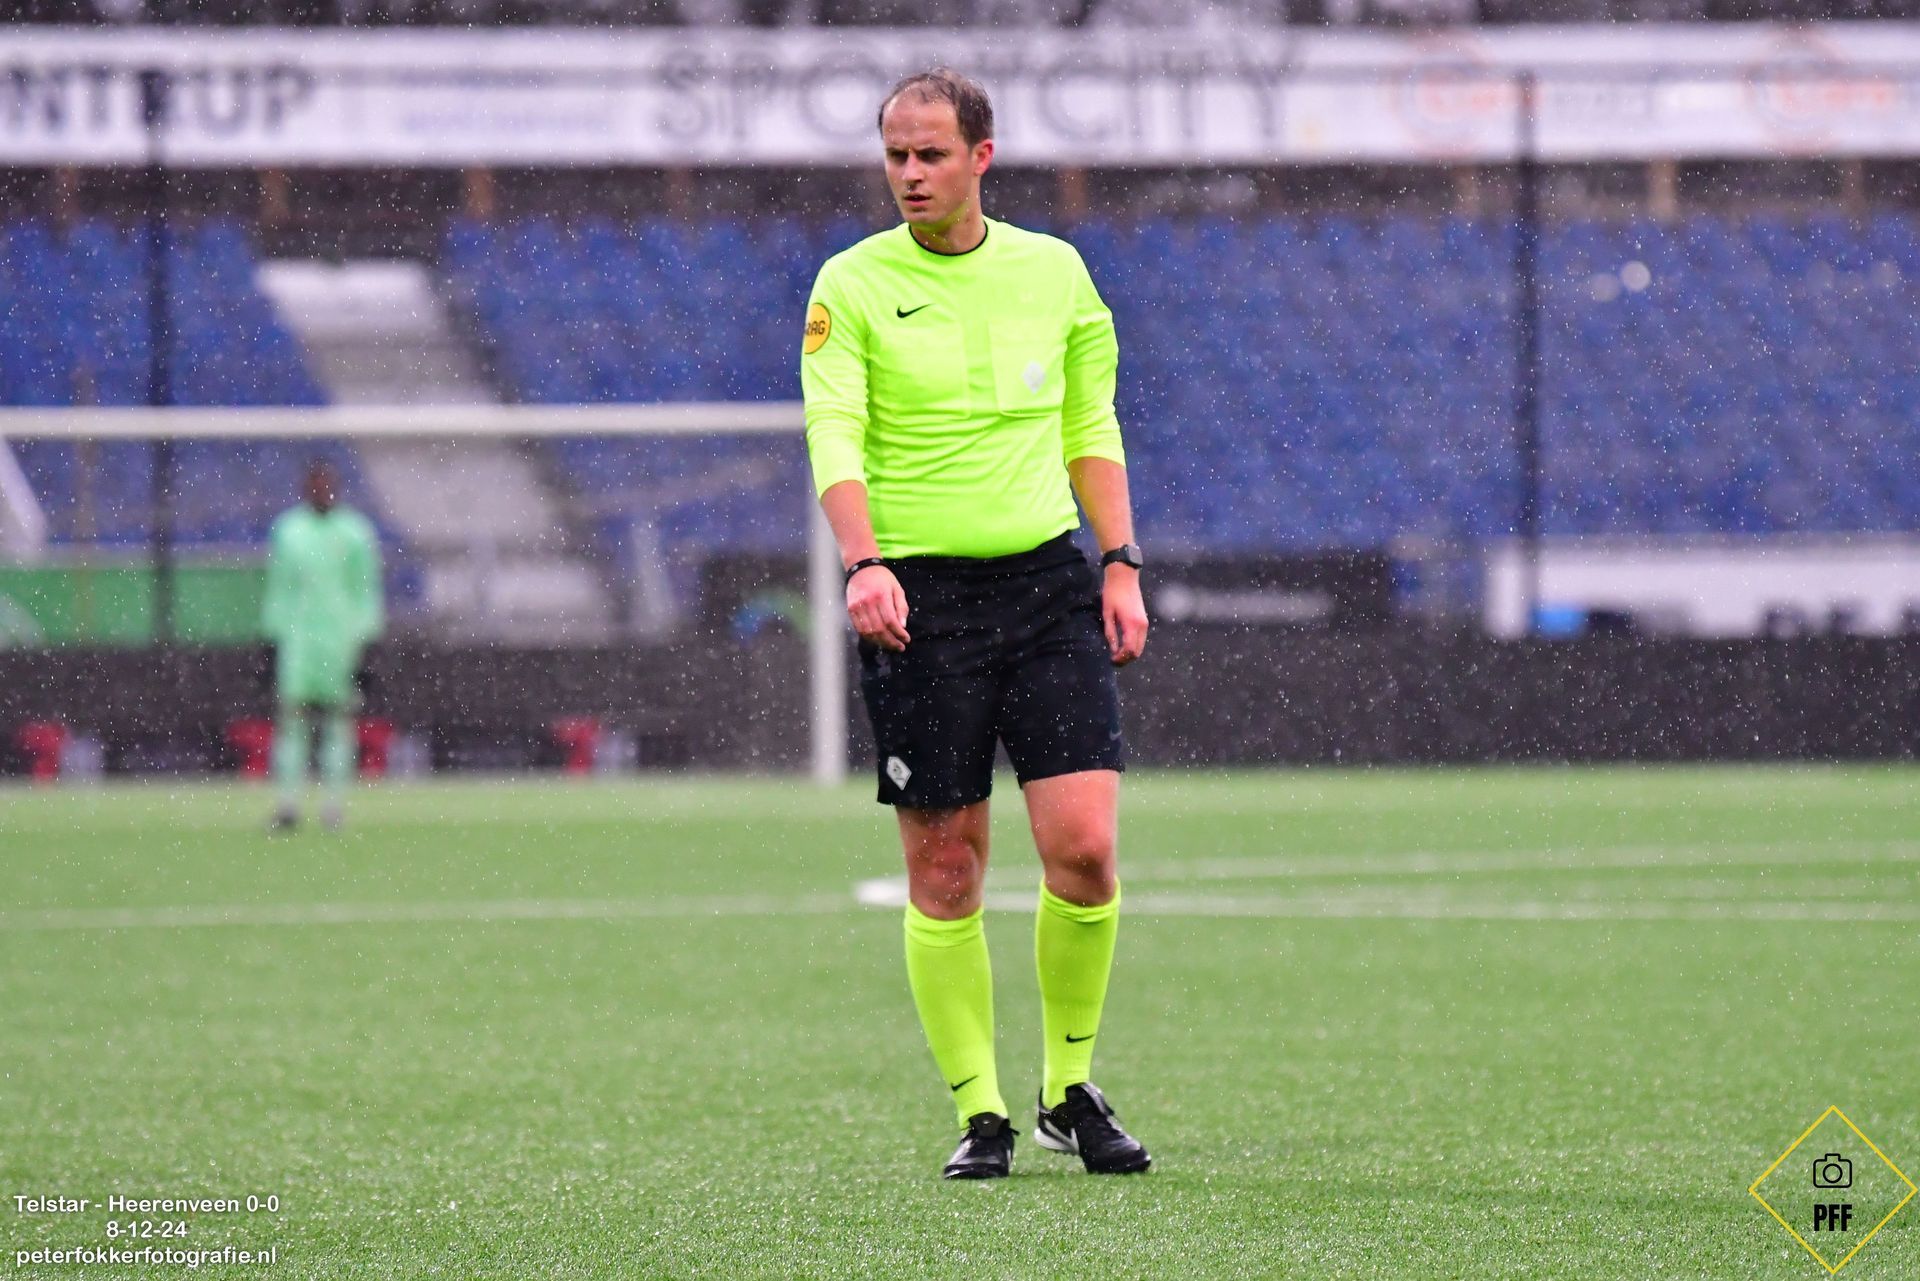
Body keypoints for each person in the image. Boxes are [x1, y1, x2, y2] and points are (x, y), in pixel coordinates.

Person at [801, 67, 1152, 1180]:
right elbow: (833, 431)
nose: (910, 173)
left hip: (1047, 589)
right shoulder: (851, 283)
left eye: (931, 154)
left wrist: (1120, 563)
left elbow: (1089, 422)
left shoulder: (1055, 271)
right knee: (947, 869)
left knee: (1084, 851)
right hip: (919, 604)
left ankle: (1069, 1089)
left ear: (981, 157)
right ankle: (982, 1110)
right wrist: (863, 561)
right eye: (896, 155)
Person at [262, 458, 383, 831]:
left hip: (340, 642)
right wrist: (272, 638)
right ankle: (288, 805)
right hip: (298, 642)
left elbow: (365, 591)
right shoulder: (288, 531)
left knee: (338, 723)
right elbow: (279, 588)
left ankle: (333, 807)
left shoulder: (355, 532)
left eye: (326, 483)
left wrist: (365, 643)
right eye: (315, 484)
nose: (321, 490)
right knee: (292, 721)